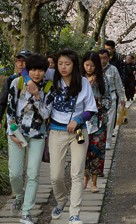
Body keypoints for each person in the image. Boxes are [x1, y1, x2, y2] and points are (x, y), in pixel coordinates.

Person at [48, 49, 97, 223]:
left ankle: (74, 213)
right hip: (56, 131)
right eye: (60, 63)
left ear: (74, 65)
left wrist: (77, 119)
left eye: (67, 64)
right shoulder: (51, 77)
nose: (63, 67)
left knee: (76, 173)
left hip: (78, 132)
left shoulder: (83, 82)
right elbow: (28, 68)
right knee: (55, 176)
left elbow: (91, 109)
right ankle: (62, 200)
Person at [7, 54, 54, 224]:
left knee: (33, 173)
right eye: (33, 69)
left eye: (40, 70)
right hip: (17, 133)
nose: (36, 73)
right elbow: (10, 110)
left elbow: (46, 114)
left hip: (37, 134)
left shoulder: (48, 88)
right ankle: (19, 196)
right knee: (15, 174)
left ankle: (26, 212)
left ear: (45, 71)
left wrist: (36, 96)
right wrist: (11, 132)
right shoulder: (17, 83)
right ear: (28, 70)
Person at [81, 51, 111, 193]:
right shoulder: (79, 79)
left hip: (98, 120)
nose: (89, 68)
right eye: (87, 65)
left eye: (92, 66)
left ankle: (94, 181)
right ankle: (84, 177)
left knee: (97, 150)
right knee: (82, 149)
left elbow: (108, 98)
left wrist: (100, 106)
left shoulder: (102, 79)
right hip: (81, 121)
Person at [0, 50, 33, 134]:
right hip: (13, 127)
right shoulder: (11, 80)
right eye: (18, 61)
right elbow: (2, 102)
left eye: (24, 61)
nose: (21, 64)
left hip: (32, 128)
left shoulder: (36, 81)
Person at [98, 49, 125, 149]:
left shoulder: (113, 69)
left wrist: (122, 97)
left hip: (111, 97)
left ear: (108, 58)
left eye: (105, 58)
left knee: (109, 121)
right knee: (98, 121)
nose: (103, 60)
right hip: (98, 98)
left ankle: (108, 141)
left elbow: (119, 84)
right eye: (100, 58)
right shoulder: (95, 69)